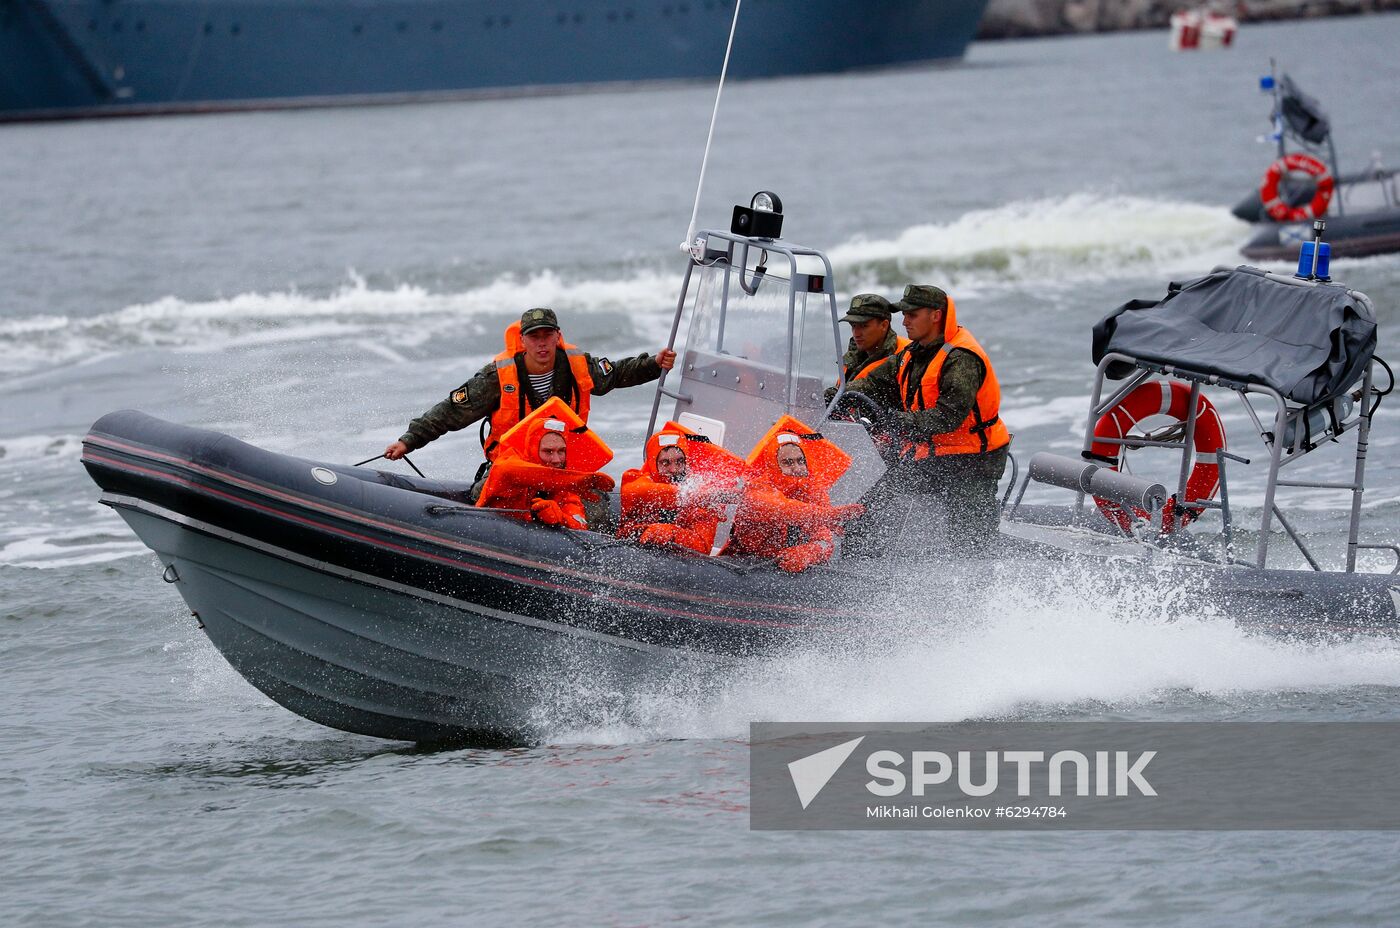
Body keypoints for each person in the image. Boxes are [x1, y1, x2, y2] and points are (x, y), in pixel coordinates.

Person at [837, 284, 1011, 553]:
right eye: (904, 315)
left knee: (973, 540)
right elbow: (871, 383)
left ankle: (977, 576)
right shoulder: (912, 353)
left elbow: (947, 418)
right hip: (933, 455)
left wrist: (893, 421)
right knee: (874, 489)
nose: (904, 321)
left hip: (973, 461)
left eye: (912, 314)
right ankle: (860, 557)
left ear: (936, 315)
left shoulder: (961, 358)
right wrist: (834, 397)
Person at [384, 307, 676, 464]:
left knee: (595, 505)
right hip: (513, 463)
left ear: (557, 336)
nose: (541, 343)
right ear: (522, 340)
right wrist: (409, 440)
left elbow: (619, 373)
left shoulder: (578, 365)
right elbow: (451, 412)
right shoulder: (498, 377)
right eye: (534, 336)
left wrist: (654, 362)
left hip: (562, 461)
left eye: (547, 335)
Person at [725, 416, 864, 573]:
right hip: (740, 567)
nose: (797, 467)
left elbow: (825, 541)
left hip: (779, 571)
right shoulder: (757, 490)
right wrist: (830, 514)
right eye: (787, 462)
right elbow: (783, 509)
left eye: (800, 461)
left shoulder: (811, 491)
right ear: (773, 465)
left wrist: (810, 552)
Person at [474, 397, 614, 530]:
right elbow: (529, 475)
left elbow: (580, 523)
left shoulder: (564, 483)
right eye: (548, 451)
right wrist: (580, 480)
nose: (557, 459)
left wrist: (561, 518)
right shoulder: (507, 464)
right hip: (489, 535)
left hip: (528, 549)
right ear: (533, 450)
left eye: (561, 451)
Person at [619, 423, 744, 555]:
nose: (673, 469)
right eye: (665, 463)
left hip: (674, 565)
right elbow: (635, 492)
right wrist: (693, 497)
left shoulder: (703, 494)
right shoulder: (636, 480)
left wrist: (673, 533)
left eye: (680, 461)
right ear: (652, 463)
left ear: (687, 461)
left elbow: (702, 547)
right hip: (627, 553)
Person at [838, 293, 910, 384]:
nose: (856, 333)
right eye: (853, 325)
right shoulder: (853, 357)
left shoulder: (907, 357)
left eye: (864, 326)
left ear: (884, 325)